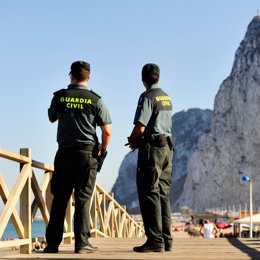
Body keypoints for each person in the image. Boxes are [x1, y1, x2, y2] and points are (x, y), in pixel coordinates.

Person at [44, 61, 112, 254]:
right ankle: (82, 244)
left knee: (60, 199)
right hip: (87, 154)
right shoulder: (95, 100)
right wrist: (102, 149)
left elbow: (51, 118)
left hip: (64, 154)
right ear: (88, 77)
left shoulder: (60, 97)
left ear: (71, 75)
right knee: (83, 198)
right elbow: (107, 132)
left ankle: (52, 244)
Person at [126, 63, 174, 253]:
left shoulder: (147, 96)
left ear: (143, 79)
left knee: (149, 192)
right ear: (158, 77)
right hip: (168, 148)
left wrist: (132, 140)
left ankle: (155, 240)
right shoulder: (166, 97)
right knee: (163, 193)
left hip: (152, 149)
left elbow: (141, 126)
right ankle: (167, 239)